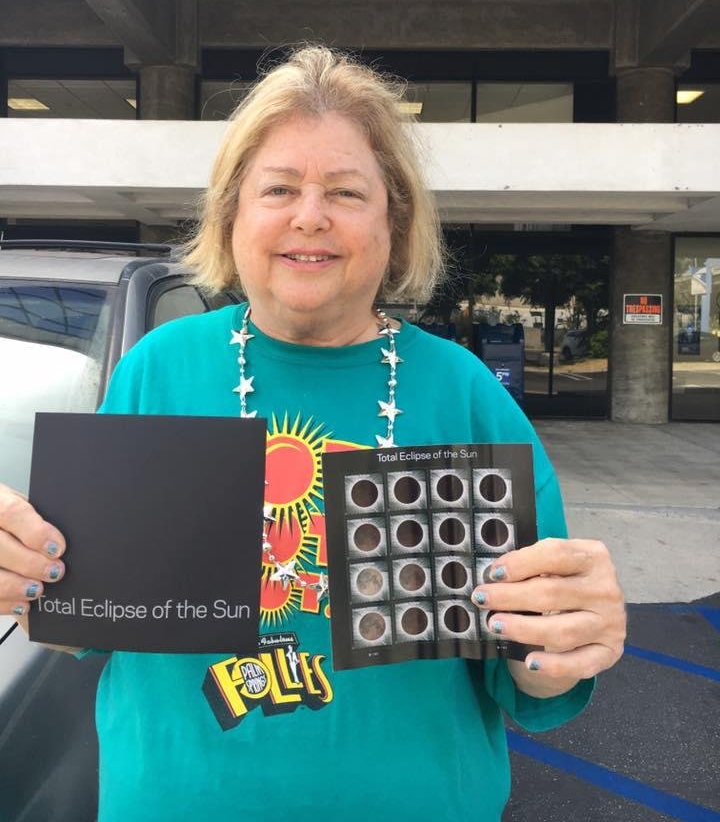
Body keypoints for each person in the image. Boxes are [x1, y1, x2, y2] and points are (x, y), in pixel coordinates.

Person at [0, 45, 625, 821]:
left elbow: (528, 673)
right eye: (279, 188)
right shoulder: (158, 370)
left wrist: (562, 643)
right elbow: (85, 626)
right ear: (232, 213)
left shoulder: (464, 393)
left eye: (345, 191)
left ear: (393, 222)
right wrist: (27, 580)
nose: (309, 216)